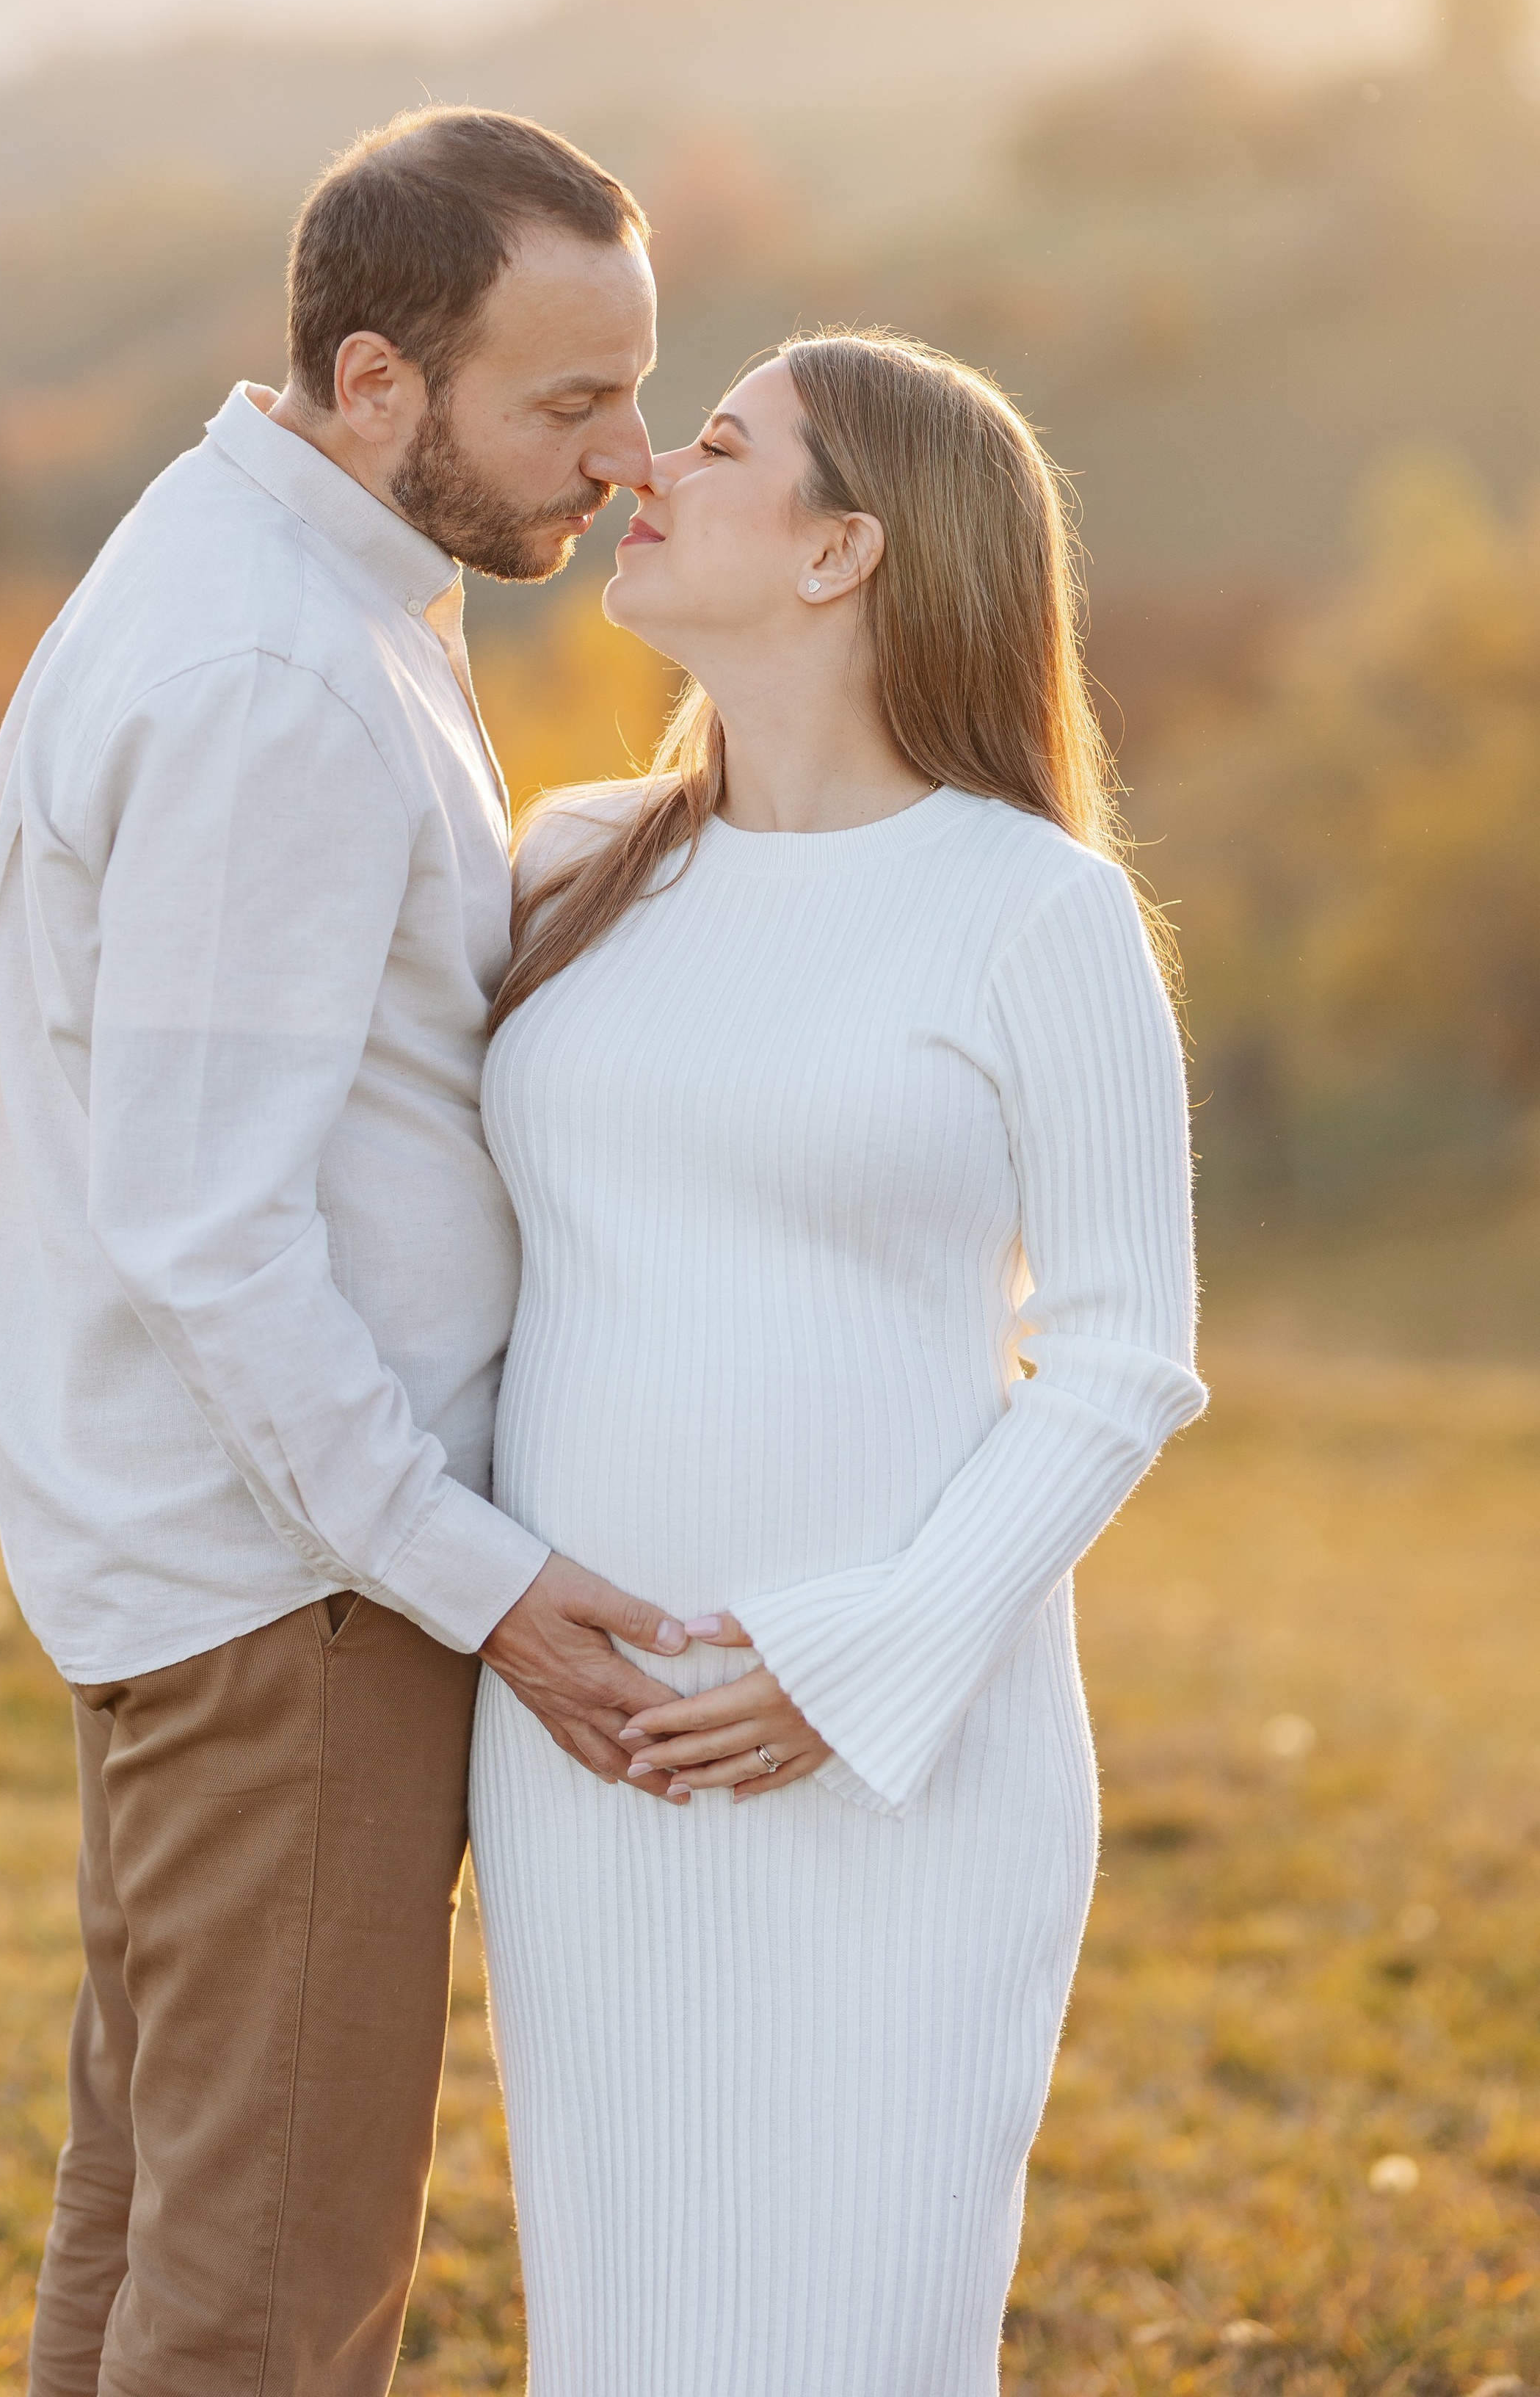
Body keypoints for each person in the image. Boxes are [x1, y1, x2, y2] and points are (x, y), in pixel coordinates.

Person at [0, 106, 689, 2397]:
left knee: (165, 2224)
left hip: (241, 1576)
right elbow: (211, 1233)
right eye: (568, 405)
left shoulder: (294, 580)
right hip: (303, 1599)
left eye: (637, 391)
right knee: (268, 2296)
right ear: (378, 386)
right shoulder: (275, 674)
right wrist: (470, 1575)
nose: (628, 461)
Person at [469, 328, 1208, 2396]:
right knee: (620, 2334)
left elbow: (1126, 1358)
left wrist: (851, 1665)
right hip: (588, 1754)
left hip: (901, 1765)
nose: (646, 472)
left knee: (854, 2343)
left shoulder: (1032, 913)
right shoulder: (570, 864)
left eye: (715, 447)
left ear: (841, 553)